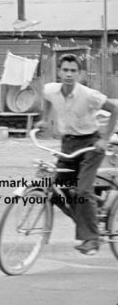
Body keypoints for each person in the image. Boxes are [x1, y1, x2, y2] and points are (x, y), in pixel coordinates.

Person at [35, 53, 118, 255]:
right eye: (65, 70)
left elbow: (114, 109)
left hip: (91, 145)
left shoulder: (89, 94)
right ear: (59, 72)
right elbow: (46, 98)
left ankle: (92, 239)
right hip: (69, 144)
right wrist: (45, 119)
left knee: (82, 190)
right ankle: (86, 219)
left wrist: (104, 139)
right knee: (54, 188)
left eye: (73, 71)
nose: (69, 74)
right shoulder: (52, 90)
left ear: (80, 74)